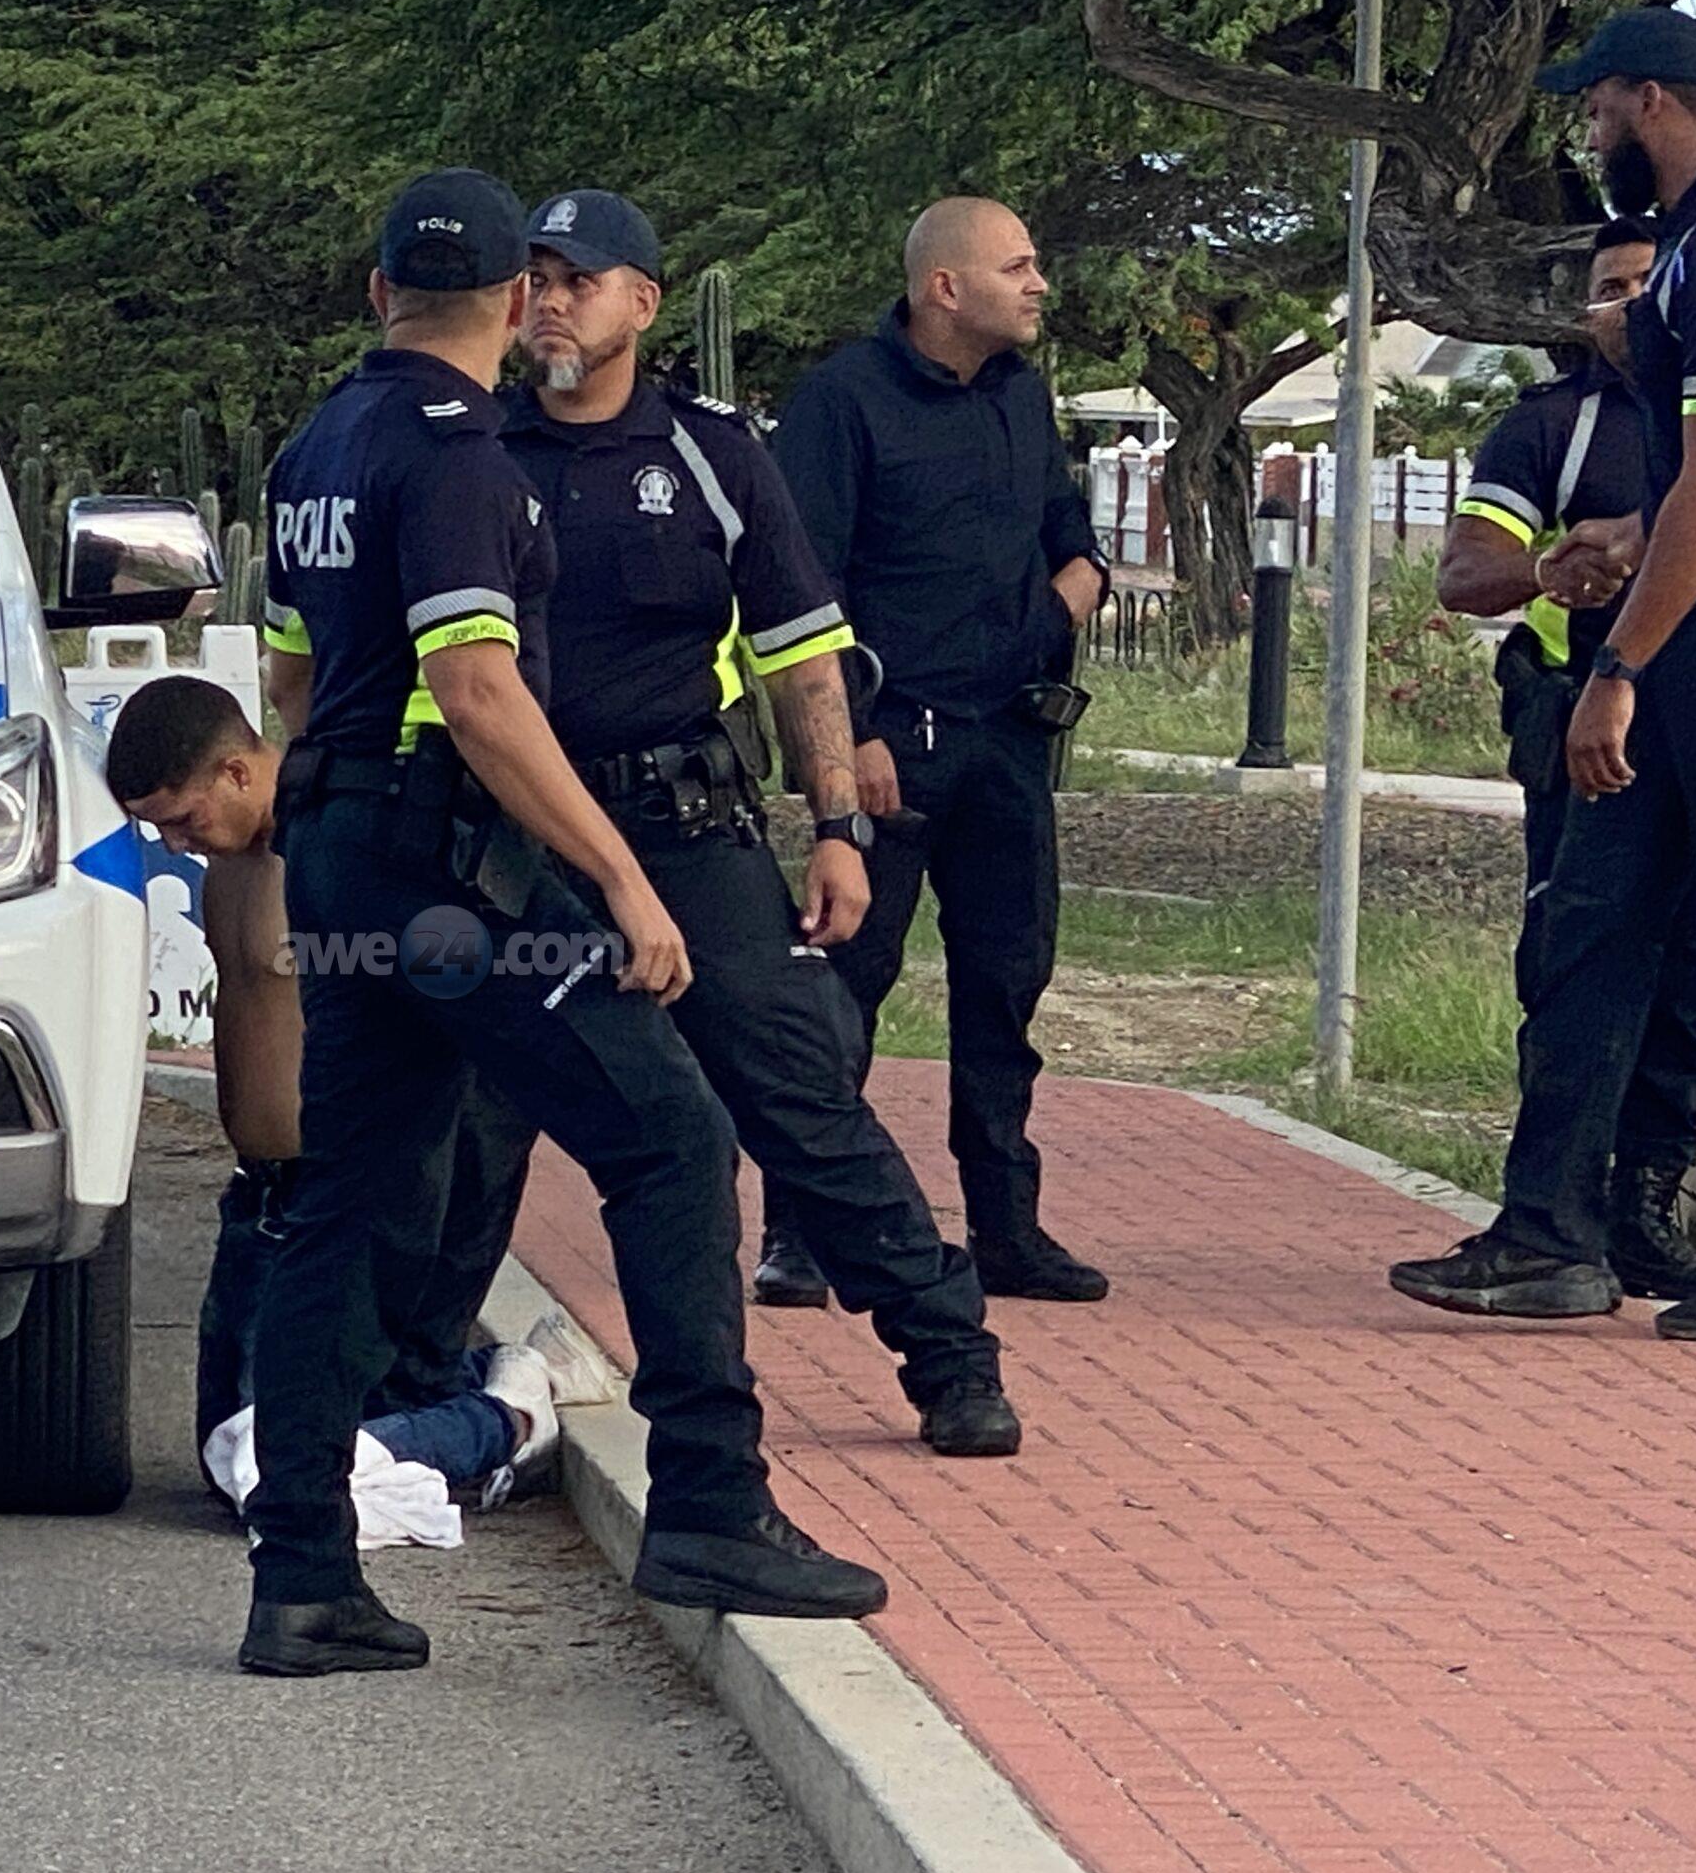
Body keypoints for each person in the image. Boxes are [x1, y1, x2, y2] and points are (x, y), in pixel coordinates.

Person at [234, 168, 885, 1677]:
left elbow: (290, 687)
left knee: (344, 1204)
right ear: (517, 300)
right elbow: (476, 692)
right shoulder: (459, 451)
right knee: (670, 1140)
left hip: (342, 853)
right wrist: (623, 880)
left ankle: (302, 1576)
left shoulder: (319, 443)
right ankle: (710, 1502)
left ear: (377, 290)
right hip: (451, 880)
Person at [373, 187, 1018, 1458]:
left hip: (683, 825)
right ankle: (408, 1390)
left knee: (801, 1096)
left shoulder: (713, 456)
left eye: (580, 280)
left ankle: (949, 1356)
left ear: (643, 304)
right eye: (536, 279)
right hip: (519, 841)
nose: (552, 302)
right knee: (477, 1119)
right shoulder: (470, 449)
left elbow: (801, 655)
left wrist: (837, 827)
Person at [1391, 8, 1696, 1339]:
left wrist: (1620, 664)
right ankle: (1546, 1238)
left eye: (1594, 109)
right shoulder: (1687, 247)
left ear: (1650, 99)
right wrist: (1632, 535)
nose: (1587, 135)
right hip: (1680, 647)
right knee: (1591, 930)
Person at [101, 672, 610, 1503]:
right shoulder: (233, 857)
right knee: (228, 1459)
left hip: (341, 1196)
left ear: (237, 772)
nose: (178, 845)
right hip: (261, 1200)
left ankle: (513, 1409)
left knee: (279, 1467)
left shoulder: (341, 842)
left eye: (184, 820)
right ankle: (476, 1379)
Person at [751, 197, 1110, 1309]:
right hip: (890, 743)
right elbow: (802, 588)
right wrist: (849, 738)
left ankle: (1006, 1228)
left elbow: (1070, 536)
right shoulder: (842, 402)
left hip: (1008, 742)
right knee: (844, 990)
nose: (1039, 284)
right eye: (1018, 266)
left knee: (1005, 985)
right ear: (944, 287)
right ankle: (802, 1231)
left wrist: (1065, 601)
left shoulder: (1020, 394)